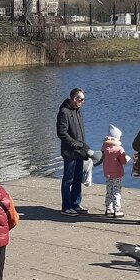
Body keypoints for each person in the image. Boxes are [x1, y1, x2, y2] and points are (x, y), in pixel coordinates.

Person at [56, 87, 90, 215]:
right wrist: (75, 144)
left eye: (83, 100)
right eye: (80, 99)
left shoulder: (78, 111)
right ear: (74, 98)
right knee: (68, 179)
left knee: (77, 179)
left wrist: (83, 146)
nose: (82, 102)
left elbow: (80, 132)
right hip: (70, 152)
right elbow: (61, 133)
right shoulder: (64, 112)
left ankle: (76, 203)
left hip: (80, 151)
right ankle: (66, 206)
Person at [101, 124, 131, 218]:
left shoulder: (104, 147)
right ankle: (117, 210)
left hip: (107, 173)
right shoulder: (119, 149)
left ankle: (108, 208)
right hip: (117, 174)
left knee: (109, 190)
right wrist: (128, 158)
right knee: (116, 191)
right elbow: (123, 161)